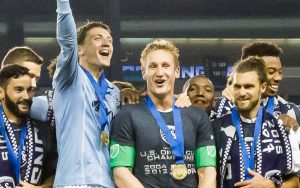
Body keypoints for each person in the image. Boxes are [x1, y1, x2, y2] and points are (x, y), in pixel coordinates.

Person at [110, 39, 216, 188]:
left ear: (176, 71)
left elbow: (207, 171)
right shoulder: (128, 115)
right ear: (143, 72)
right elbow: (121, 172)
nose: (160, 73)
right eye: (152, 66)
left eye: (165, 66)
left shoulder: (197, 116)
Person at [52, 0, 121, 187]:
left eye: (109, 40)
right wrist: (63, 3)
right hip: (73, 182)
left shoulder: (114, 92)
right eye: (97, 38)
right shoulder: (70, 78)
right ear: (80, 49)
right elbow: (67, 41)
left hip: (107, 183)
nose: (106, 42)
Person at [212, 57, 294, 188]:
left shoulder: (281, 127)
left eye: (248, 86)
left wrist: (271, 186)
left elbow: (296, 180)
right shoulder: (216, 127)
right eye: (237, 87)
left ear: (262, 87)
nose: (242, 92)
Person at [1, 46, 56, 188]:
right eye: (29, 75)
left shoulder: (43, 125)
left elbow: (55, 171)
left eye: (36, 78)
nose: (33, 84)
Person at [0, 64, 44, 187]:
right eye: (19, 90)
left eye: (29, 90)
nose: (26, 96)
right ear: (1, 93)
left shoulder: (43, 130)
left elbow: (56, 171)